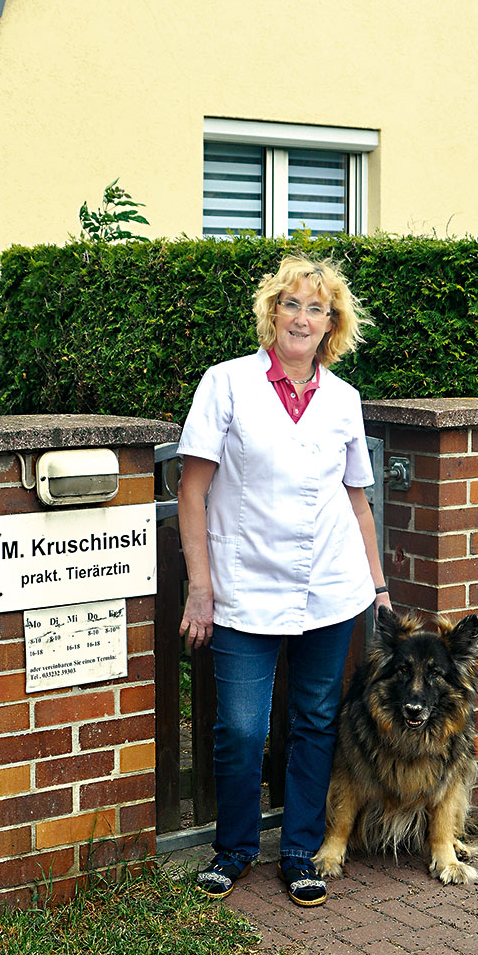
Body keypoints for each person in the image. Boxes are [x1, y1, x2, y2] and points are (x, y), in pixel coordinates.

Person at [177, 254, 388, 908]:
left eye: (316, 308)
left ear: (333, 324)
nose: (302, 317)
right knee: (241, 728)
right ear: (273, 314)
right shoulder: (227, 384)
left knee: (315, 722)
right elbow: (192, 490)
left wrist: (377, 587)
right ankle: (234, 849)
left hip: (330, 584)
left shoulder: (345, 399)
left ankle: (299, 850)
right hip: (242, 586)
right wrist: (199, 587)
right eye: (291, 304)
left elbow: (356, 502)